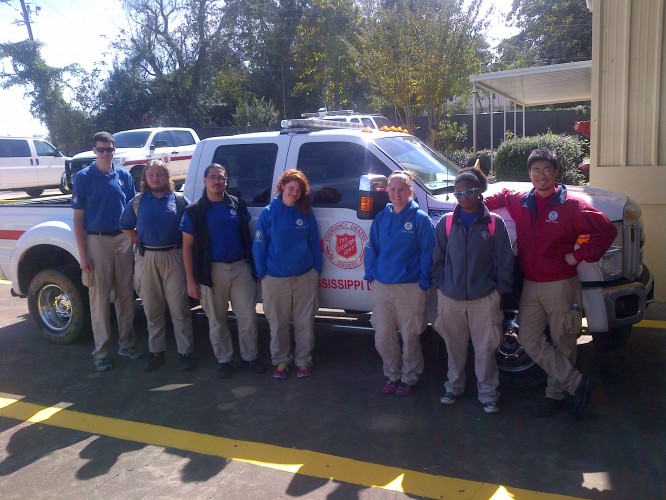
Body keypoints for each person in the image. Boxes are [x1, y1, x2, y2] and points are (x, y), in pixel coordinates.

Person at [484, 148, 617, 420]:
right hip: (531, 285)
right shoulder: (521, 200)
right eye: (536, 170)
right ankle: (576, 382)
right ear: (529, 174)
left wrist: (579, 255)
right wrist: (472, 199)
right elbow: (499, 195)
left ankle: (555, 395)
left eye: (546, 170)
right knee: (528, 338)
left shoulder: (572, 205)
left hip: (560, 283)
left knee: (563, 340)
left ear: (556, 172)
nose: (541, 175)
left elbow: (606, 230)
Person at [431, 167, 514, 414]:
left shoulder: (494, 223)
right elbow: (437, 259)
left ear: (479, 192)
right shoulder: (446, 223)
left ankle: (488, 394)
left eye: (468, 192)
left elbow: (505, 261)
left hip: (484, 298)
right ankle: (453, 386)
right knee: (453, 346)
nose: (463, 197)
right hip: (451, 297)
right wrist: (442, 286)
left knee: (485, 349)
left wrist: (498, 292)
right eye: (458, 194)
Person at [180, 163, 265, 379]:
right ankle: (224, 360)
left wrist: (255, 269)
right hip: (211, 271)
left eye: (221, 177)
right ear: (205, 181)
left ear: (226, 181)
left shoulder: (237, 204)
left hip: (240, 268)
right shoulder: (194, 211)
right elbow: (187, 247)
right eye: (212, 177)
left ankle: (250, 357)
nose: (217, 181)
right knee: (217, 320)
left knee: (248, 317)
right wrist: (191, 280)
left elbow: (248, 236)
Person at [72, 131, 140, 372]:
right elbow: (78, 219)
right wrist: (83, 256)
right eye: (101, 149)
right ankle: (101, 352)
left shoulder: (124, 176)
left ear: (114, 150)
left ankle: (127, 344)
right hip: (97, 240)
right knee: (99, 298)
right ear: (94, 151)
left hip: (123, 239)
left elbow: (133, 210)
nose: (105, 153)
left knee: (125, 295)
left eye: (109, 149)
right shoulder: (84, 177)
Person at [363, 171, 435, 397]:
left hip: (410, 287)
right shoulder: (381, 218)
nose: (396, 194)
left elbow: (428, 252)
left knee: (410, 336)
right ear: (387, 191)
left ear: (410, 191)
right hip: (382, 285)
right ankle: (392, 375)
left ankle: (409, 378)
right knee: (383, 336)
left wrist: (423, 282)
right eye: (392, 189)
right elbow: (372, 246)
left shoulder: (420, 219)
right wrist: (371, 274)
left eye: (401, 189)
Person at [120, 160, 195, 372]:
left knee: (179, 307)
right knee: (152, 308)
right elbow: (125, 226)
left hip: (174, 256)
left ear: (167, 176)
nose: (155, 178)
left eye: (160, 174)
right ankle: (156, 352)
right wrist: (141, 239)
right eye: (151, 174)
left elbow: (191, 227)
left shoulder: (179, 200)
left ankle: (186, 352)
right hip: (147, 258)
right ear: (145, 178)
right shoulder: (138, 201)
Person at [253, 169, 323, 379]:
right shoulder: (268, 213)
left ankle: (304, 361)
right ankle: (281, 361)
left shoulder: (305, 212)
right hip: (275, 279)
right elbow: (259, 246)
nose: (294, 193)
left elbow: (314, 242)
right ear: (282, 186)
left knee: (305, 323)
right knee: (278, 324)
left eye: (299, 190)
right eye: (291, 188)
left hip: (304, 277)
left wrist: (316, 270)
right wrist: (263, 274)